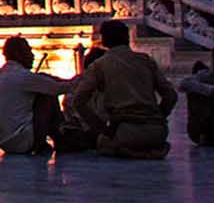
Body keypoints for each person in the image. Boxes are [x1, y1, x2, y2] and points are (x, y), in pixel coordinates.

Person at [70, 20, 176, 159]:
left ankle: (125, 149)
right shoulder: (145, 60)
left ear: (104, 40)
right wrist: (158, 116)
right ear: (127, 37)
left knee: (101, 142)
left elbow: (79, 101)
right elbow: (171, 95)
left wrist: (102, 129)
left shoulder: (99, 65)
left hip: (124, 131)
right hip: (157, 132)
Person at [0, 36, 80, 156]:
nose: (32, 56)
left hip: (2, 141)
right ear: (19, 54)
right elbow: (57, 89)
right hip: (21, 140)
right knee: (46, 96)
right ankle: (60, 137)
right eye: (29, 51)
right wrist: (80, 81)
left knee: (43, 83)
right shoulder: (22, 76)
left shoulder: (2, 77)